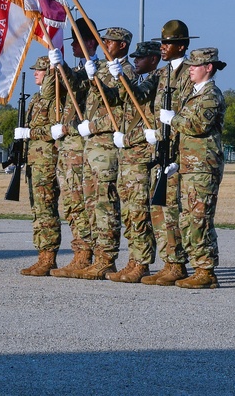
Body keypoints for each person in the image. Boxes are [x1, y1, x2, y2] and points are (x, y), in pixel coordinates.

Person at [156, 45, 227, 289]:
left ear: (208, 68)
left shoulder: (211, 95)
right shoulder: (193, 94)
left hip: (203, 168)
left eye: (195, 66)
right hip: (189, 165)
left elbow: (198, 126)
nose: (190, 70)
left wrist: (172, 118)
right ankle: (197, 267)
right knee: (188, 218)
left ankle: (206, 271)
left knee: (200, 219)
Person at [74, 24, 134, 280]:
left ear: (121, 45)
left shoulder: (126, 71)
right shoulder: (98, 69)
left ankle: (106, 259)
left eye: (109, 42)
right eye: (104, 41)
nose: (105, 45)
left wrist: (93, 125)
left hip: (107, 146)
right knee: (90, 205)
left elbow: (120, 113)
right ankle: (95, 256)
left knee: (105, 204)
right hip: (91, 146)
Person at [141, 18, 197, 286]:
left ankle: (177, 264)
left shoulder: (189, 73)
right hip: (159, 147)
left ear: (182, 46)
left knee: (173, 210)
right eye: (162, 42)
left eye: (168, 43)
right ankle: (168, 262)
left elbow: (188, 113)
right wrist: (117, 76)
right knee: (159, 210)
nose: (162, 47)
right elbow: (138, 94)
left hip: (177, 150)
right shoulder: (161, 74)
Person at [107, 37, 162, 283]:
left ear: (153, 59)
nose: (136, 61)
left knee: (139, 211)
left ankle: (142, 262)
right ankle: (133, 258)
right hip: (127, 154)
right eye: (135, 57)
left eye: (140, 57)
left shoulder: (156, 79)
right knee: (129, 212)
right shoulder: (141, 78)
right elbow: (118, 99)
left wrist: (122, 76)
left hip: (141, 155)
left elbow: (137, 96)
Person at [48, 19, 96, 278]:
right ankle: (80, 252)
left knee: (81, 203)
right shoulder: (81, 67)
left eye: (77, 42)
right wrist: (60, 66)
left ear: (90, 42)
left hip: (81, 147)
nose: (73, 46)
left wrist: (64, 67)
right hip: (68, 148)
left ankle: (86, 254)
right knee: (71, 203)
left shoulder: (96, 69)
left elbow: (79, 84)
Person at [16, 55, 60, 275]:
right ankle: (42, 253)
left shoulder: (54, 99)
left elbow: (55, 130)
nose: (35, 73)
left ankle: (48, 257)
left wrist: (30, 133)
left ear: (49, 74)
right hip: (34, 162)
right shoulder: (35, 98)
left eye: (40, 70)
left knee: (46, 209)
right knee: (38, 210)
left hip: (47, 161)